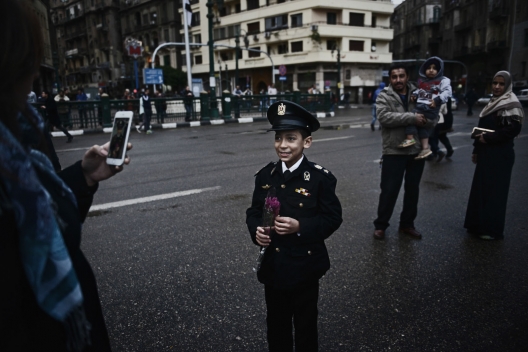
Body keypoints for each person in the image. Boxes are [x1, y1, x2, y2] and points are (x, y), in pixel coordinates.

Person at [0, 1, 132, 350]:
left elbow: (52, 219)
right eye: (28, 59)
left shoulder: (23, 135)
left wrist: (84, 177)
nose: (31, 78)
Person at [246, 100, 342, 351]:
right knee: (276, 325)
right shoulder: (266, 175)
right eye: (278, 138)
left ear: (306, 142)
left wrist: (300, 225)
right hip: (274, 267)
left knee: (305, 325)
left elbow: (332, 218)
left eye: (291, 139)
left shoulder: (320, 178)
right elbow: (254, 211)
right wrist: (256, 230)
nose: (283, 145)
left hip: (305, 266)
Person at [372, 64, 435, 240]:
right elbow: (384, 117)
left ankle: (407, 225)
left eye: (401, 76)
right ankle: (381, 226)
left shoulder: (421, 93)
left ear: (407, 77)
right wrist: (412, 117)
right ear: (390, 79)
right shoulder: (384, 95)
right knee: (389, 190)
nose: (398, 80)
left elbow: (432, 116)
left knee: (412, 190)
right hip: (394, 150)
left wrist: (426, 120)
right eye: (394, 77)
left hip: (416, 151)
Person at [464, 71, 523, 240]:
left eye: (501, 84)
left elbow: (512, 130)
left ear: (508, 86)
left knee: (494, 193)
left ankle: (491, 230)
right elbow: (483, 126)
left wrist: (487, 138)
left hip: (500, 155)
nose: (497, 87)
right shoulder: (493, 102)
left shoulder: (512, 104)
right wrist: (476, 149)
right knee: (481, 190)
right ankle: (476, 225)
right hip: (485, 152)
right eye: (495, 83)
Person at [398, 56, 452, 159]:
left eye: (434, 68)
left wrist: (437, 100)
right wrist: (415, 94)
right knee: (421, 126)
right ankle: (425, 148)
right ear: (424, 69)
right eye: (429, 68)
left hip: (429, 108)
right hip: (423, 107)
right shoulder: (423, 81)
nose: (431, 70)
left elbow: (447, 92)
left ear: (439, 70)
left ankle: (410, 138)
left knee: (410, 117)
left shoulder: (443, 80)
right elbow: (421, 91)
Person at [428, 97, 455, 162]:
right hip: (442, 120)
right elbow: (445, 111)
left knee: (432, 137)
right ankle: (437, 152)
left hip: (434, 119)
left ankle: (437, 152)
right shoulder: (444, 97)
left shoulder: (431, 97)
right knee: (440, 136)